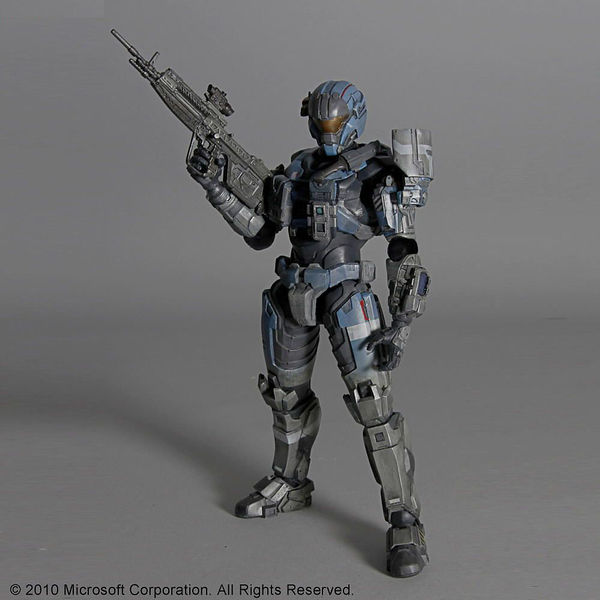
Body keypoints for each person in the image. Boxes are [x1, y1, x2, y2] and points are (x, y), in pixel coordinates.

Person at [187, 80, 433, 578]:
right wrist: (217, 189)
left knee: (374, 407)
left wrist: (401, 325)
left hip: (347, 297)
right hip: (294, 295)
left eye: (335, 122)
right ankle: (290, 483)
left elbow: (403, 248)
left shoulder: (376, 171)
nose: (327, 131)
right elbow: (261, 232)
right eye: (320, 122)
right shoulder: (298, 169)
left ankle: (405, 519)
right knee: (285, 399)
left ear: (353, 121)